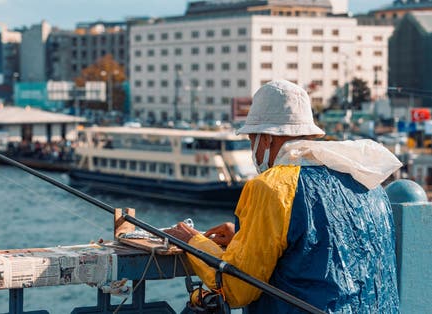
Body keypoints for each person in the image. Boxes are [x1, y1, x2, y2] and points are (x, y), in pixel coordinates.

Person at [165, 79, 402, 313]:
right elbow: (326, 248)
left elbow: (237, 288)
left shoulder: (273, 186)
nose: (253, 151)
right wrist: (245, 238)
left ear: (267, 138)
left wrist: (193, 242)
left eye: (251, 140)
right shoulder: (367, 179)